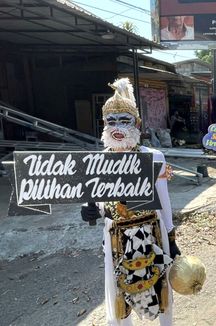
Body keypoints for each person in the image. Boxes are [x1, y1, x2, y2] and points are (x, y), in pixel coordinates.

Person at [80, 78, 181, 325]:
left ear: (136, 123)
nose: (117, 126)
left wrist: (170, 238)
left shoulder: (153, 157)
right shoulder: (97, 160)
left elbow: (164, 203)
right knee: (120, 296)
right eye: (111, 121)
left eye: (123, 120)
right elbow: (97, 201)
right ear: (104, 125)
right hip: (116, 238)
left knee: (160, 289)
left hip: (151, 234)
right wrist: (89, 210)